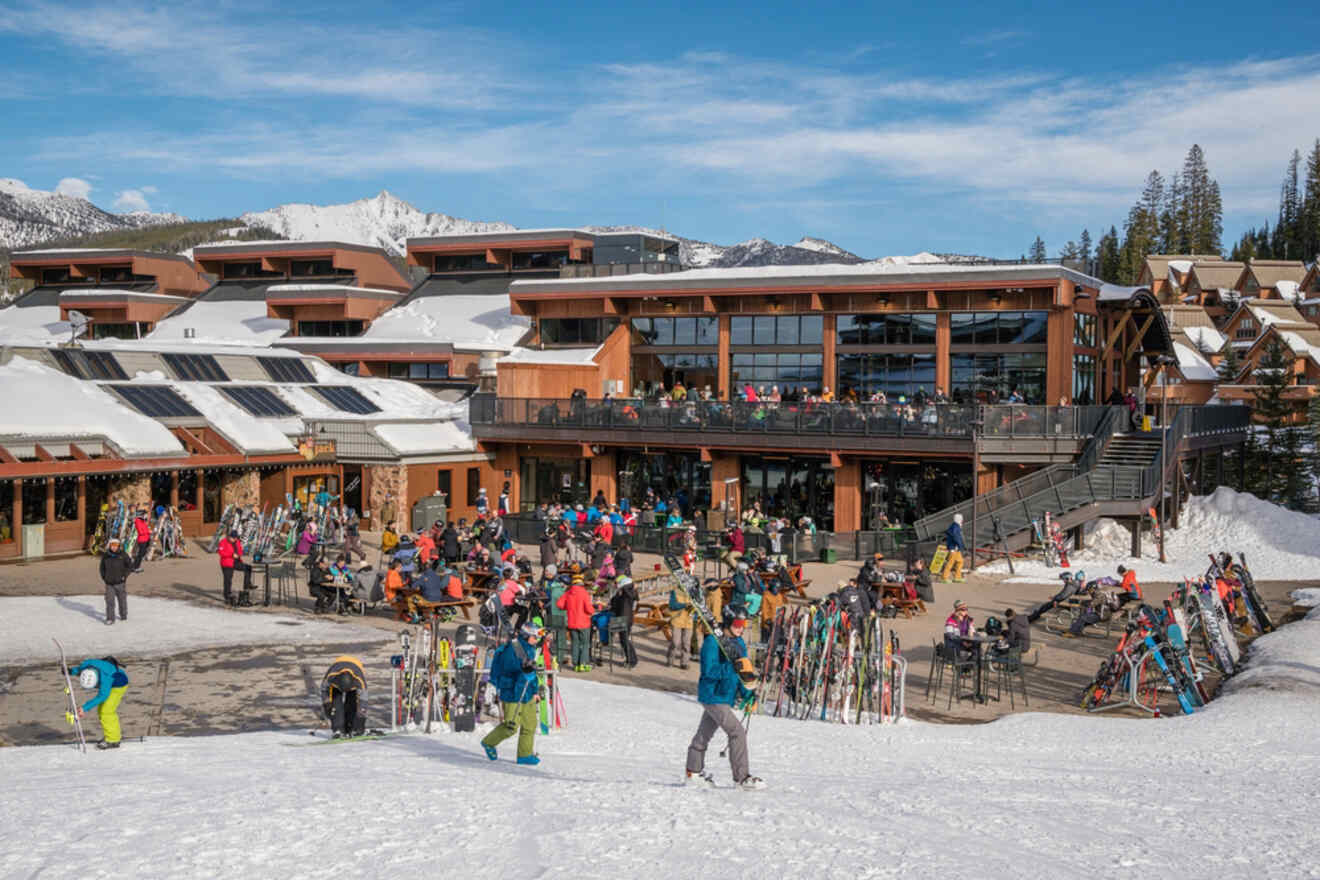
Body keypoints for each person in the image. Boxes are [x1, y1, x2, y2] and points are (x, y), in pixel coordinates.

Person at [684, 613, 764, 790]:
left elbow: (743, 671)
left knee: (703, 735)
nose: (740, 629)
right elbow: (708, 671)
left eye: (743, 625)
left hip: (725, 696)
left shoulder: (740, 643)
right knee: (737, 732)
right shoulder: (712, 642)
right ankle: (741, 778)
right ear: (727, 624)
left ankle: (693, 772)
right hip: (712, 695)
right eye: (736, 625)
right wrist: (730, 666)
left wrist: (748, 693)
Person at [481, 624, 546, 766]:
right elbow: (508, 670)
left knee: (530, 724)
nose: (537, 640)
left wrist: (535, 690)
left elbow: (531, 674)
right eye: (535, 637)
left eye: (539, 637)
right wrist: (523, 669)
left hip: (527, 691)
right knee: (511, 727)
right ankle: (489, 742)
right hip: (513, 693)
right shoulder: (512, 649)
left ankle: (525, 754)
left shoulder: (530, 649)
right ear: (526, 635)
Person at [69, 656, 129, 749]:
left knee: (107, 711)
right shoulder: (88, 664)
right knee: (101, 710)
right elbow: (80, 669)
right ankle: (110, 734)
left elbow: (102, 696)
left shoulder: (106, 679)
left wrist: (84, 708)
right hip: (111, 679)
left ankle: (113, 740)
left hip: (118, 686)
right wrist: (70, 671)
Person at [320, 655, 367, 737]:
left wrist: (361, 721)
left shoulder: (359, 680)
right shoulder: (331, 676)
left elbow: (363, 700)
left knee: (352, 703)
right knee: (336, 705)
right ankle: (338, 729)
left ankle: (352, 727)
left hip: (355, 669)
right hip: (336, 682)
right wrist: (326, 703)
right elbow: (324, 689)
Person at [557, 574, 595, 672]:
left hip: (572, 622)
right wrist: (593, 610)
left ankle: (575, 664)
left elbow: (560, 604)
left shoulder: (568, 592)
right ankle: (583, 664)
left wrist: (569, 608)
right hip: (584, 623)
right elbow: (589, 610)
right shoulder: (584, 593)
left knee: (575, 643)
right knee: (585, 643)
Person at [98, 536, 132, 626]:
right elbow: (102, 568)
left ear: (118, 546)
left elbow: (129, 566)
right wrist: (104, 577)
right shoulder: (106, 556)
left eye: (115, 545)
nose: (114, 547)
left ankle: (123, 615)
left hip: (120, 582)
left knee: (122, 600)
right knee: (109, 601)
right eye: (112, 545)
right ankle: (110, 618)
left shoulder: (123, 555)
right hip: (109, 583)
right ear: (109, 546)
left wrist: (124, 576)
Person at [218, 530, 254, 607]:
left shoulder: (237, 541)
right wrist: (231, 555)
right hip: (227, 563)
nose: (234, 539)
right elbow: (221, 552)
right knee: (228, 579)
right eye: (233, 538)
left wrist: (238, 554)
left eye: (235, 538)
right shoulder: (223, 542)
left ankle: (247, 585)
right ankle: (227, 596)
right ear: (229, 536)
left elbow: (240, 550)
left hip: (236, 561)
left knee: (248, 568)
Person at [610, 575, 639, 667]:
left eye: (616, 583)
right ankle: (631, 659)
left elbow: (615, 605)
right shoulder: (629, 591)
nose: (615, 585)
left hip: (622, 619)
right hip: (626, 618)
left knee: (624, 640)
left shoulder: (625, 592)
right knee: (624, 639)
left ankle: (632, 660)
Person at [667, 586, 694, 669]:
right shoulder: (674, 591)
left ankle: (684, 663)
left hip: (688, 621)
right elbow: (672, 605)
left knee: (686, 643)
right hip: (677, 620)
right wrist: (685, 605)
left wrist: (694, 609)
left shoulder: (693, 592)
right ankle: (670, 659)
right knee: (675, 642)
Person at [941, 513, 966, 583]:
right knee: (951, 562)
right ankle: (944, 578)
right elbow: (956, 537)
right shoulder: (956, 527)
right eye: (961, 519)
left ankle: (957, 577)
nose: (962, 520)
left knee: (960, 561)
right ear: (959, 520)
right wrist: (960, 545)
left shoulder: (955, 526)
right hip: (954, 548)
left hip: (955, 548)